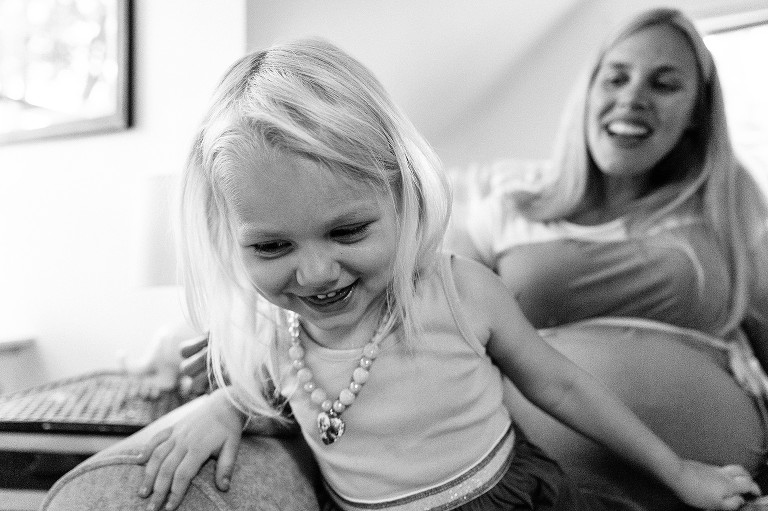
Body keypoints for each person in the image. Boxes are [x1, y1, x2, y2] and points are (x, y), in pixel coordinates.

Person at [136, 37, 760, 511]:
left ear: (403, 197)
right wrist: (226, 407)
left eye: (349, 231)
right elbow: (280, 398)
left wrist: (679, 472)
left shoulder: (459, 291)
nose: (317, 272)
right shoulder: (274, 335)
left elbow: (565, 389)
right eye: (271, 247)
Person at [446, 6, 768, 508]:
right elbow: (446, 340)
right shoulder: (507, 204)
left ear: (696, 114)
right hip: (539, 488)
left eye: (665, 84)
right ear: (589, 93)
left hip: (716, 489)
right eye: (616, 77)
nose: (633, 98)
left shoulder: (725, 202)